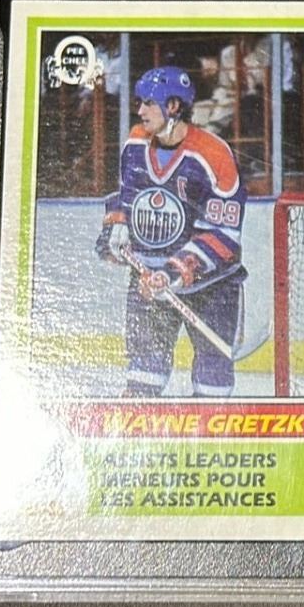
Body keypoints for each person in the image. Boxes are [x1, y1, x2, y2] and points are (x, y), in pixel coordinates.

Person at [95, 66, 248, 397]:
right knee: (142, 380)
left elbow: (222, 236)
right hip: (149, 280)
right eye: (140, 103)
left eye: (149, 103)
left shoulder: (214, 155)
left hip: (211, 287)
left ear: (174, 106)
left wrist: (174, 272)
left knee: (212, 384)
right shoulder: (136, 141)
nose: (140, 111)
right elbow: (127, 195)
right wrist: (116, 225)